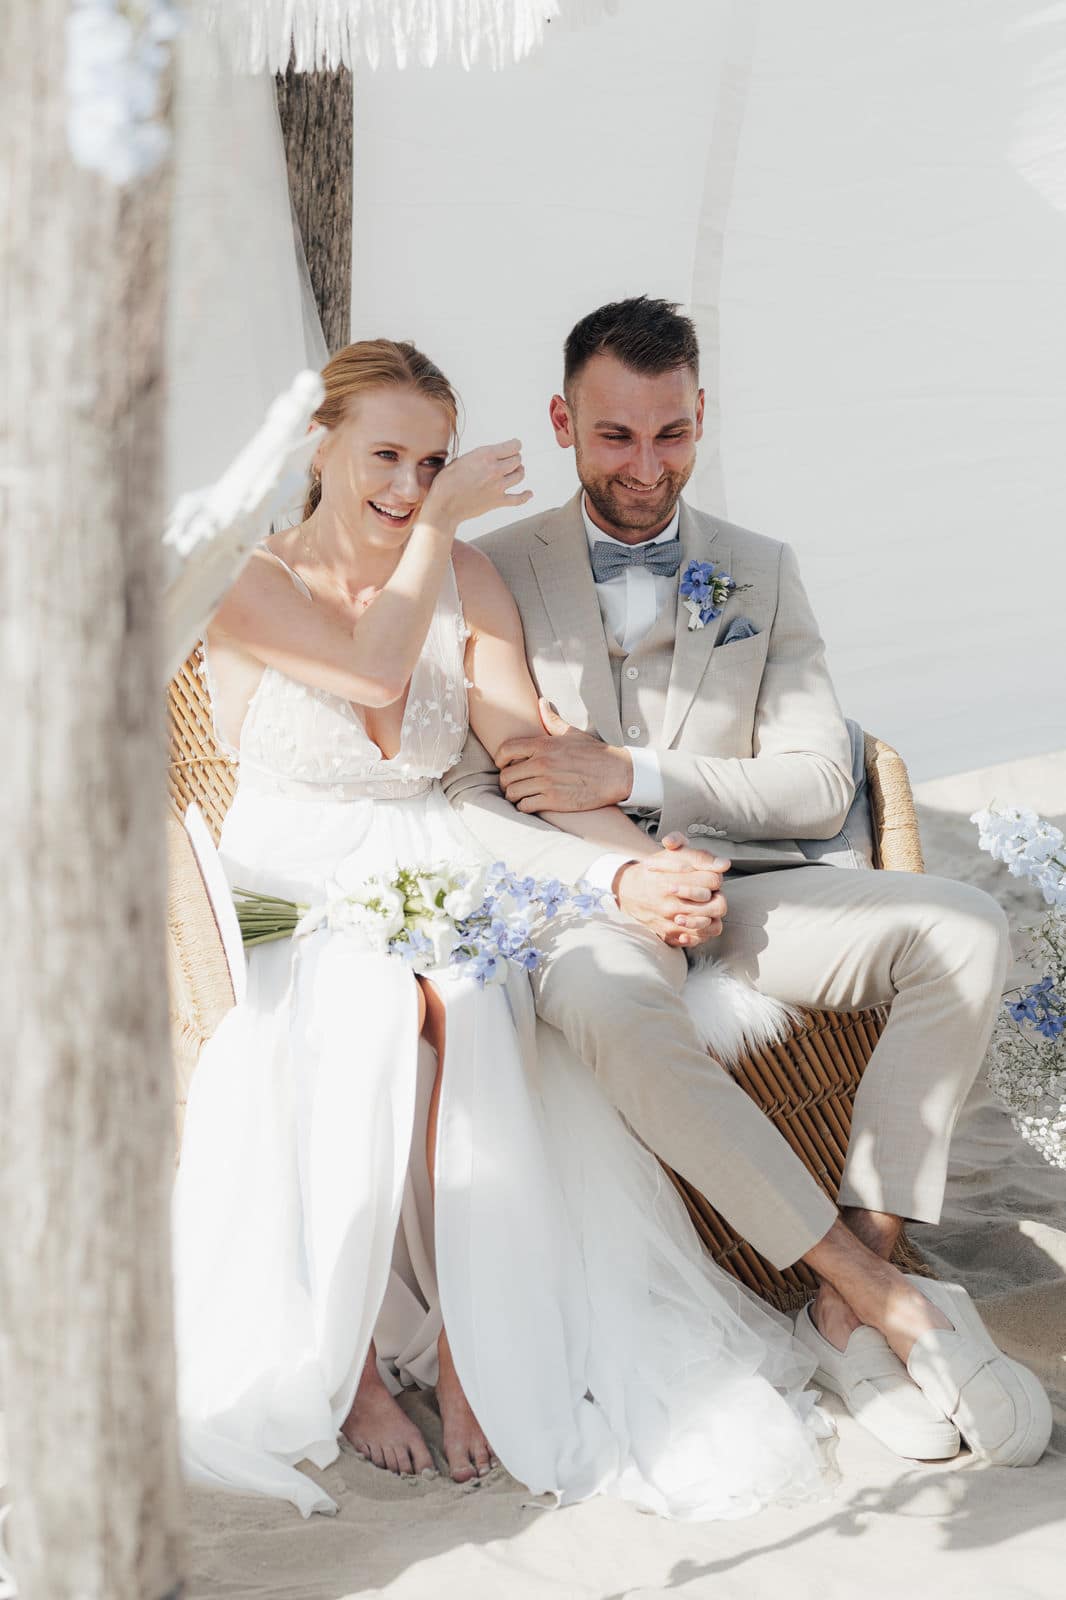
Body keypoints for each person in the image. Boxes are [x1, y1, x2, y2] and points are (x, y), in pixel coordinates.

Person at [173, 338, 836, 1521]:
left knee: (473, 1003)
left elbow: (531, 762)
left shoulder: (466, 579)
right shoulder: (249, 575)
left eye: (431, 463)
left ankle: (475, 1348)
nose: (409, 486)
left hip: (438, 859)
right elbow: (377, 680)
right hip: (289, 882)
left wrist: (645, 871)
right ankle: (364, 1362)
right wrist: (444, 525)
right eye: (385, 456)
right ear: (314, 451)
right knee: (363, 1010)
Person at [443, 296, 1053, 1470]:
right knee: (619, 1005)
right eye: (616, 436)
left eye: (671, 434)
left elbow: (820, 785)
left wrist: (633, 769)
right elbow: (468, 791)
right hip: (591, 903)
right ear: (565, 421)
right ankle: (876, 1293)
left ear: (701, 415)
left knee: (966, 930)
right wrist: (619, 872)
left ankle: (842, 1297)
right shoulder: (491, 570)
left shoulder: (758, 571)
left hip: (755, 891)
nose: (645, 465)